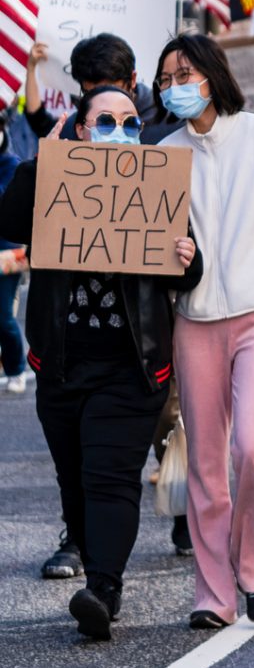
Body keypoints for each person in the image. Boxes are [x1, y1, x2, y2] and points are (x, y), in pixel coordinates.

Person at [0, 87, 202, 638]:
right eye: (107, 121)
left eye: (131, 122)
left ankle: (104, 590)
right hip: (62, 364)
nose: (121, 131)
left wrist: (187, 257)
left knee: (111, 477)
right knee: (74, 479)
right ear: (83, 130)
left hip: (131, 368)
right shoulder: (52, 177)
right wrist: (44, 161)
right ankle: (95, 565)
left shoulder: (158, 181)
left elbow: (187, 267)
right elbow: (11, 220)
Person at [157, 36, 254, 629]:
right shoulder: (164, 152)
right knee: (203, 461)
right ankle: (212, 593)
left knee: (253, 445)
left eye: (186, 72)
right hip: (194, 319)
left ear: (212, 75)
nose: (175, 84)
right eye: (166, 76)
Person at [21, 34, 173, 142]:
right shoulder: (74, 127)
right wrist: (31, 69)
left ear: (132, 80)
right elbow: (40, 123)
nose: (104, 102)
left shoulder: (169, 123)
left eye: (113, 92)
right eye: (93, 93)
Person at [0, 120, 23, 395]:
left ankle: (15, 368)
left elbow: (9, 205)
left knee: (3, 317)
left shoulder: (12, 164)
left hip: (6, 253)